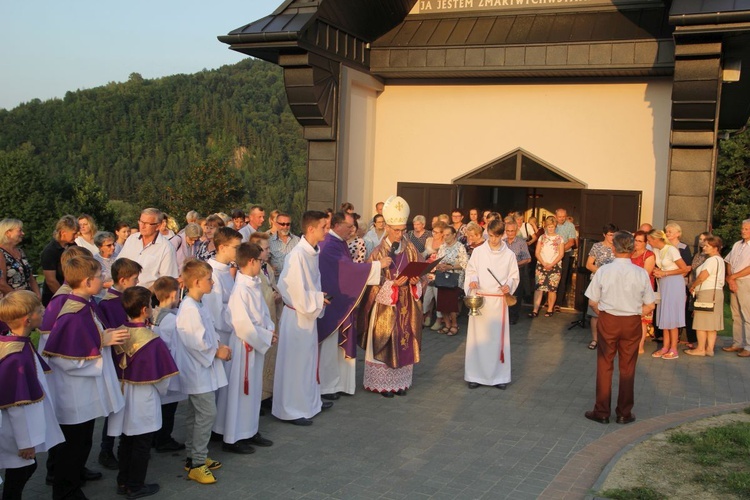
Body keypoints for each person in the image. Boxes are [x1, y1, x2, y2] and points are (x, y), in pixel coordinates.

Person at [43, 256, 129, 500]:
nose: (104, 280)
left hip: (85, 390)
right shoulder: (72, 312)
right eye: (100, 276)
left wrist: (104, 334)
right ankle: (66, 491)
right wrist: (102, 341)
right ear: (87, 281)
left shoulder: (85, 303)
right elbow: (62, 357)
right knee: (72, 444)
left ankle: (75, 477)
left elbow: (87, 335)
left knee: (82, 441)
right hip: (74, 391)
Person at [108, 286, 178, 499]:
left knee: (126, 439)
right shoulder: (151, 339)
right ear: (145, 310)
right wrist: (162, 392)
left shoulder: (116, 333)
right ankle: (135, 485)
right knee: (141, 442)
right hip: (143, 396)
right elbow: (163, 378)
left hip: (121, 392)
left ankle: (123, 481)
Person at [584, 231, 655, 425]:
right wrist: (633, 311)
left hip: (608, 319)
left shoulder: (604, 271)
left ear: (613, 248)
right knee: (628, 367)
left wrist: (606, 312)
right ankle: (624, 412)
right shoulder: (640, 273)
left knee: (605, 364)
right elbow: (650, 304)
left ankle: (602, 411)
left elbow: (592, 301)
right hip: (631, 320)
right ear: (632, 250)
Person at [0, 291, 65, 500]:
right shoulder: (16, 357)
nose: (44, 311)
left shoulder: (14, 341)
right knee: (22, 470)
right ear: (28, 319)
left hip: (13, 429)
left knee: (22, 469)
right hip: (13, 431)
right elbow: (15, 404)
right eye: (40, 310)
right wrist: (25, 443)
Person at [357, 196, 424, 397]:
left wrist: (416, 281)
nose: (400, 234)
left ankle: (400, 383)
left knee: (404, 338)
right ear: (386, 227)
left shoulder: (410, 246)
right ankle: (382, 384)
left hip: (406, 303)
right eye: (396, 230)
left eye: (403, 230)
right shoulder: (378, 252)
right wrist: (391, 284)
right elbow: (368, 281)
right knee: (385, 338)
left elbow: (420, 269)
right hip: (386, 305)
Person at [318, 212, 388, 399]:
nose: (352, 230)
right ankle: (326, 386)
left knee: (335, 348)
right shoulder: (329, 244)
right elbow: (346, 270)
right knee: (329, 348)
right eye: (349, 227)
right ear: (337, 225)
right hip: (332, 302)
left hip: (341, 299)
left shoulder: (338, 242)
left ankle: (337, 384)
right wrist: (376, 266)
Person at [215, 243, 276, 452]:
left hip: (255, 344)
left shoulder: (253, 283)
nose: (262, 263)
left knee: (253, 389)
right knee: (241, 391)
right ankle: (234, 437)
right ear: (251, 261)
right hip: (244, 346)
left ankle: (249, 430)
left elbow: (263, 313)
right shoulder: (240, 288)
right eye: (260, 260)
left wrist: (269, 330)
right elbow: (242, 324)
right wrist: (266, 336)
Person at [174, 259, 231, 484]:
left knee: (196, 414)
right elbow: (194, 341)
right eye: (209, 279)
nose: (212, 282)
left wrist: (219, 346)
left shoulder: (199, 303)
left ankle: (194, 456)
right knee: (206, 414)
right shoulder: (188, 308)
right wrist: (216, 352)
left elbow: (209, 331)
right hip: (197, 370)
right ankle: (197, 463)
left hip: (203, 368)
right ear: (197, 282)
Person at [272, 210, 331, 425]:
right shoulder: (297, 256)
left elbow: (311, 285)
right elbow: (295, 291)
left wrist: (318, 297)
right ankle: (292, 410)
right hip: (297, 317)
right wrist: (317, 299)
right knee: (296, 364)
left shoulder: (311, 252)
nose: (327, 230)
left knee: (307, 362)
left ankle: (309, 401)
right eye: (324, 227)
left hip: (306, 314)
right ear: (311, 229)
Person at [95, 257, 142, 471]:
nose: (137, 281)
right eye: (134, 278)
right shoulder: (107, 303)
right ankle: (106, 449)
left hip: (134, 357)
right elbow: (113, 331)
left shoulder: (130, 296)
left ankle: (128, 445)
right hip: (118, 360)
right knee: (116, 407)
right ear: (122, 280)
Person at [464, 219, 519, 390]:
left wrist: (508, 285)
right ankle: (475, 375)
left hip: (498, 302)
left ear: (502, 235)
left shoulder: (509, 254)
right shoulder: (479, 252)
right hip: (481, 301)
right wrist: (472, 281)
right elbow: (471, 270)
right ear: (488, 232)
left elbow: (514, 276)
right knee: (478, 339)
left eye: (497, 236)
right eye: (492, 236)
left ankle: (499, 376)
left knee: (497, 340)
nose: (494, 240)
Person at [150, 276, 187, 453]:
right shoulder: (171, 320)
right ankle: (163, 439)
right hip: (170, 367)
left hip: (160, 367)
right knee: (169, 407)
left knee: (163, 405)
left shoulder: (156, 313)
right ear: (174, 294)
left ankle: (157, 437)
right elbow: (174, 344)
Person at [648, 229, 688, 360]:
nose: (648, 242)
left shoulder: (671, 250)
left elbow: (684, 268)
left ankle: (674, 349)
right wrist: (658, 271)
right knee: (664, 314)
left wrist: (665, 273)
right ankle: (665, 347)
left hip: (674, 283)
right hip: (664, 283)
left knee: (672, 315)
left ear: (656, 239)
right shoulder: (656, 250)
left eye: (649, 240)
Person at [117, 208, 179, 289]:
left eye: (147, 223)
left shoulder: (166, 248)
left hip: (147, 297)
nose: (142, 226)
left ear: (158, 226)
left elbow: (166, 280)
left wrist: (146, 295)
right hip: (123, 292)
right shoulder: (132, 239)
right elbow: (119, 264)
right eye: (141, 222)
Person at [685, 236, 725, 357]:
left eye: (707, 246)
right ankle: (709, 349)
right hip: (716, 292)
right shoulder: (719, 260)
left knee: (701, 322)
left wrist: (693, 285)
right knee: (712, 324)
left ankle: (701, 348)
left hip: (707, 292)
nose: (704, 247)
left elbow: (703, 276)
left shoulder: (711, 260)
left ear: (715, 248)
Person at [585, 224, 619, 350]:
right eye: (610, 234)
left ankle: (609, 340)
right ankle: (595, 339)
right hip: (598, 283)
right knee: (595, 313)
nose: (612, 237)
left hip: (614, 284)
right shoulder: (597, 246)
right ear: (605, 235)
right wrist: (601, 272)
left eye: (614, 235)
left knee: (612, 313)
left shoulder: (618, 247)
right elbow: (589, 264)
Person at [724, 219, 750, 357]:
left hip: (746, 282)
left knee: (747, 314)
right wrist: (730, 278)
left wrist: (733, 277)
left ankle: (749, 346)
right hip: (734, 281)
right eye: (743, 228)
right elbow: (728, 261)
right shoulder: (737, 245)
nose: (743, 231)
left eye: (746, 229)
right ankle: (737, 343)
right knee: (736, 314)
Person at [435, 226, 468, 336]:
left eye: (448, 234)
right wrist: (440, 266)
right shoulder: (442, 247)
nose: (445, 237)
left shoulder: (460, 247)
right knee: (442, 303)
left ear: (454, 235)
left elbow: (464, 264)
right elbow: (437, 260)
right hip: (442, 278)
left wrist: (450, 266)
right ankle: (447, 324)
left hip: (454, 278)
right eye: (444, 235)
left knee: (451, 303)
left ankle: (454, 324)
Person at [529, 217, 564, 318]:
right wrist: (543, 263)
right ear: (546, 227)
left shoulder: (559, 238)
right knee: (539, 288)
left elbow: (561, 254)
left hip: (555, 265)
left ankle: (550, 309)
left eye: (552, 227)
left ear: (555, 227)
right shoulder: (541, 237)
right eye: (549, 227)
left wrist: (552, 264)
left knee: (552, 288)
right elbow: (537, 252)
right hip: (541, 264)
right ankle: (535, 310)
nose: (550, 229)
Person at [40, 215, 79, 306]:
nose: (76, 236)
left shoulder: (73, 246)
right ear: (63, 232)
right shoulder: (50, 251)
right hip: (55, 297)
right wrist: (65, 298)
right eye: (74, 233)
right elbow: (51, 281)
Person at [0, 218, 40, 298]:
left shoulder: (20, 251)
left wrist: (38, 296)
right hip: (11, 303)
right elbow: (1, 283)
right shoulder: (1, 253)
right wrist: (20, 299)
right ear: (8, 233)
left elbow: (30, 277)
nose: (23, 233)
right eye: (19, 231)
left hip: (28, 300)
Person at [630, 231, 656, 354]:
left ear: (646, 243)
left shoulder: (649, 255)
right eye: (635, 240)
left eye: (640, 241)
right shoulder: (631, 253)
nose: (637, 243)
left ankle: (640, 346)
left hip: (643, 290)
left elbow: (646, 274)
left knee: (642, 320)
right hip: (629, 290)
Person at [503, 220, 531, 325]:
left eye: (512, 231)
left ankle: (514, 316)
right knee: (505, 292)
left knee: (516, 293)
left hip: (518, 270)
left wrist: (516, 264)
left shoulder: (521, 242)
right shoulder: (502, 242)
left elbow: (528, 259)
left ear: (516, 230)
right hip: (504, 272)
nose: (510, 233)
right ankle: (504, 315)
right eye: (508, 231)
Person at [423, 221, 446, 330]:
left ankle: (439, 320)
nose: (434, 234)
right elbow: (423, 254)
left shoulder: (445, 243)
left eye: (437, 232)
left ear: (442, 233)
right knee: (427, 296)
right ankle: (427, 315)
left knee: (438, 297)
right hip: (428, 272)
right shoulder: (429, 240)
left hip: (439, 272)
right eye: (433, 231)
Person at [554, 208, 577, 310]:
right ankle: (548, 300)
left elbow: (571, 242)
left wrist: (560, 252)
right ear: (556, 216)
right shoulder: (552, 224)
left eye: (563, 217)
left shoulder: (570, 226)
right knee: (551, 277)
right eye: (560, 217)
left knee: (562, 278)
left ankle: (559, 302)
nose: (562, 219)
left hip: (565, 254)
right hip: (551, 255)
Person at [268, 212, 300, 279]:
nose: (285, 227)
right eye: (282, 224)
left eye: (288, 224)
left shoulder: (298, 241)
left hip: (293, 280)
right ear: (276, 224)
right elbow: (265, 260)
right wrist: (270, 267)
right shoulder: (269, 241)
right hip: (277, 281)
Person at [93, 231, 117, 298]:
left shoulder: (118, 257)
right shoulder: (94, 261)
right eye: (109, 245)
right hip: (100, 296)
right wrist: (110, 285)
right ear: (100, 247)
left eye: (113, 244)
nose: (113, 247)